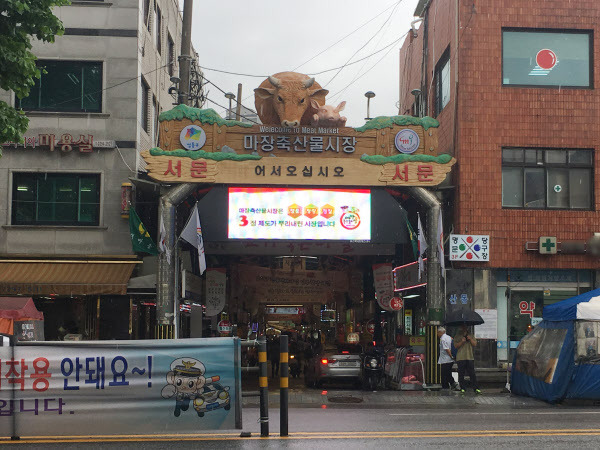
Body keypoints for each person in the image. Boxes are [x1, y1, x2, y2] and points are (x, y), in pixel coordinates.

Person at [454, 324, 481, 394]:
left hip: (469, 357)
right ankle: (462, 388)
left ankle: (475, 388)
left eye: (465, 326)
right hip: (461, 357)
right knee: (461, 374)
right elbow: (456, 346)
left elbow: (475, 344)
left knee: (472, 373)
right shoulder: (457, 336)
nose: (464, 328)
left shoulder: (471, 335)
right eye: (463, 326)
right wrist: (462, 341)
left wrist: (470, 339)